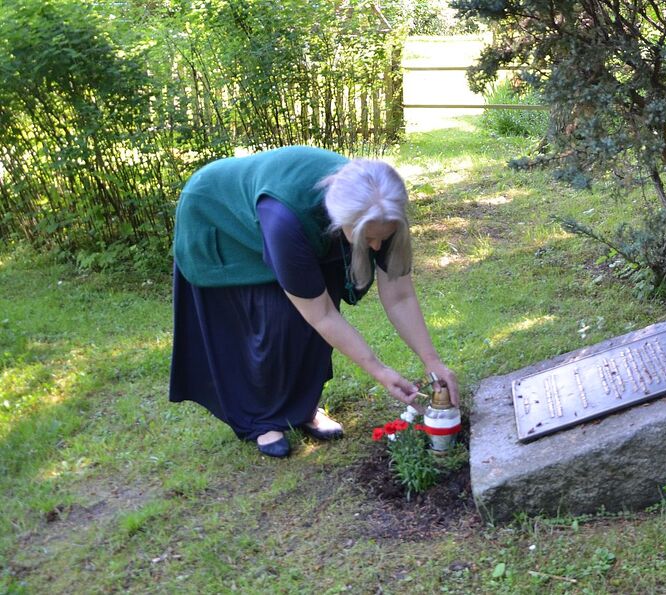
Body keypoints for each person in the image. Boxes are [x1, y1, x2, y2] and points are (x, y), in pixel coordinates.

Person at [169, 145, 459, 458]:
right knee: (274, 322)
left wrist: (432, 361)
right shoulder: (285, 221)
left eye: (382, 238)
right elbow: (321, 315)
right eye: (368, 239)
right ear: (342, 221)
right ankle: (262, 421)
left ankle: (302, 409)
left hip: (297, 218)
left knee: (309, 323)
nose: (376, 246)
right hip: (220, 216)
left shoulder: (381, 209)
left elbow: (399, 294)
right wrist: (380, 371)